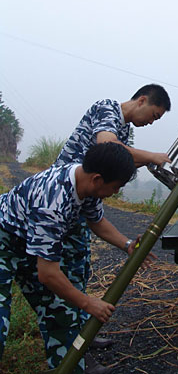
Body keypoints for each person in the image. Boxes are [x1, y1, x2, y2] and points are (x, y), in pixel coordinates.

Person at [0, 142, 154, 373]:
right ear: (98, 179)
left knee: (61, 312)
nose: (115, 193)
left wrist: (128, 244)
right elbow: (48, 274)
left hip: (29, 243)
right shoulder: (52, 202)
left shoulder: (86, 183)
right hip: (4, 240)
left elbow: (97, 222)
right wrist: (88, 302)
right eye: (115, 187)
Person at [52, 83, 171, 373]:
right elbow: (108, 147)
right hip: (65, 198)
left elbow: (121, 161)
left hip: (85, 202)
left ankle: (83, 334)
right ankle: (71, 353)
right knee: (63, 276)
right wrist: (153, 156)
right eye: (153, 115)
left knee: (79, 270)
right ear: (142, 100)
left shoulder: (125, 132)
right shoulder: (107, 108)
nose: (151, 122)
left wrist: (128, 244)